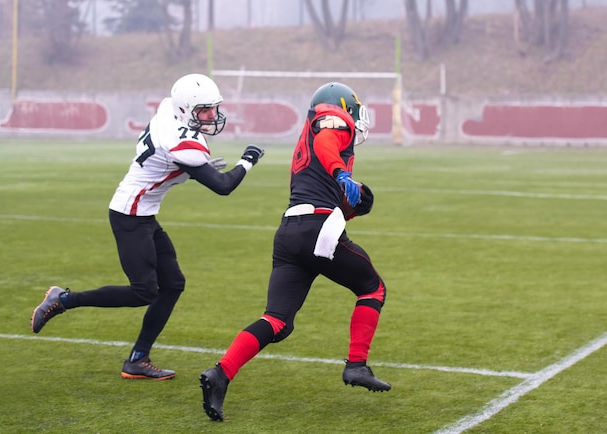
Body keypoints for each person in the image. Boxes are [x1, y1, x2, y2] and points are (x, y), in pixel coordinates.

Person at [30, 73, 265, 380]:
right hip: (130, 215)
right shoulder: (182, 141)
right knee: (144, 291)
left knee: (173, 284)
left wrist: (196, 169)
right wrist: (247, 160)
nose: (211, 115)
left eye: (212, 107)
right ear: (185, 109)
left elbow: (176, 162)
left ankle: (137, 359)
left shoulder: (169, 110)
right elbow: (223, 186)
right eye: (203, 109)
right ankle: (63, 300)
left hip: (143, 213)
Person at [199, 82, 390, 421]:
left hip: (290, 230)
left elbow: (328, 191)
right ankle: (357, 365)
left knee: (276, 321)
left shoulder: (308, 136)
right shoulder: (332, 121)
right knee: (372, 288)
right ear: (342, 107)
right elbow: (328, 143)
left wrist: (355, 204)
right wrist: (341, 174)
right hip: (316, 228)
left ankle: (220, 373)